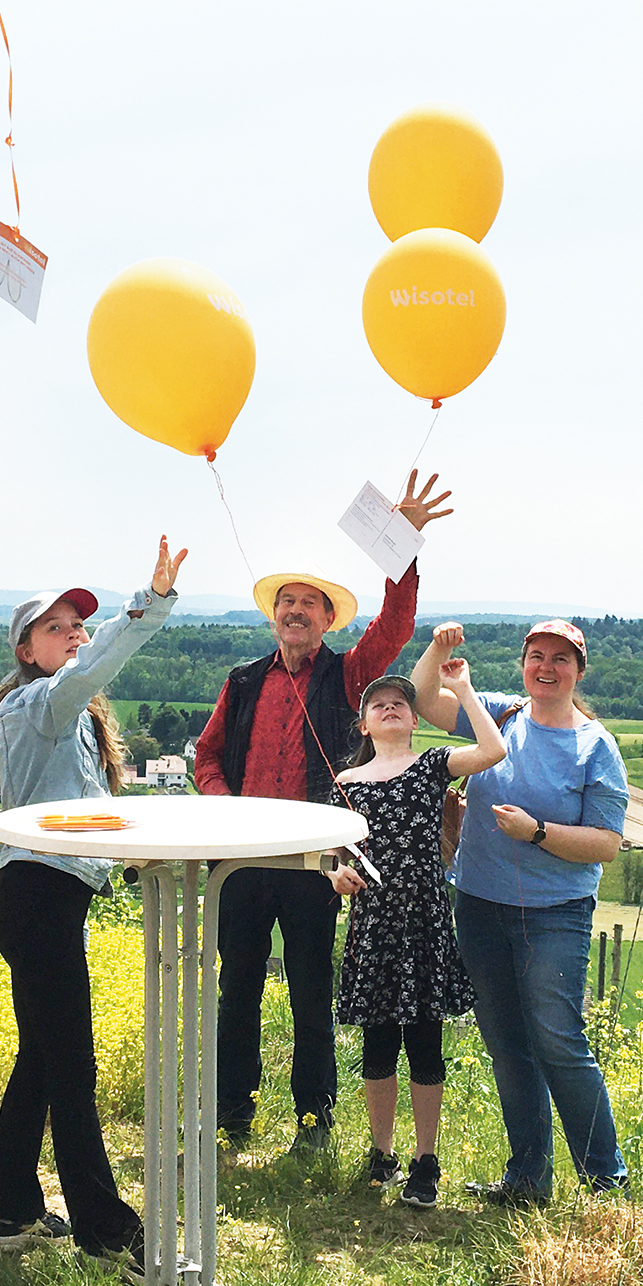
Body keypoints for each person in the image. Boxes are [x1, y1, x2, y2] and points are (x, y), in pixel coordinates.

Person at [191, 471, 453, 1154]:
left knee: (311, 994)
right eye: (287, 602)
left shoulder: (348, 674)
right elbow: (208, 757)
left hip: (315, 861)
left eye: (310, 604)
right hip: (242, 861)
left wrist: (405, 545)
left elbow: (397, 625)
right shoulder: (243, 681)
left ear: (328, 620)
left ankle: (314, 1121)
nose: (297, 611)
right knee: (237, 992)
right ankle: (232, 1117)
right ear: (273, 615)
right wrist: (227, 810)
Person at [0, 536, 185, 1276]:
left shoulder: (40, 713)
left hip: (39, 894)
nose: (72, 637)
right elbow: (101, 664)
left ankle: (10, 1212)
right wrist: (152, 604)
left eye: (76, 625)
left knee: (42, 1058)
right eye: (56, 629)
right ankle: (108, 1233)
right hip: (39, 896)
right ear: (28, 650)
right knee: (72, 1067)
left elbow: (79, 810)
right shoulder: (42, 701)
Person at [410, 619, 629, 1205]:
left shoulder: (595, 746)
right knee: (507, 1044)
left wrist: (537, 834)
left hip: (555, 913)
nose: (547, 667)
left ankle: (605, 1185)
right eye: (537, 656)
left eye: (561, 659)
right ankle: (528, 1180)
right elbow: (425, 701)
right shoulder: (501, 714)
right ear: (523, 664)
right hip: (480, 905)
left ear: (579, 671)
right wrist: (437, 650)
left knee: (558, 1042)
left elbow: (606, 843)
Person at [331, 662, 505, 1207]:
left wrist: (464, 690)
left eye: (400, 704)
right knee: (378, 1043)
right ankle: (381, 1153)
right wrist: (332, 874)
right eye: (378, 704)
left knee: (425, 1043)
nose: (389, 708)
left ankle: (425, 1160)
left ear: (412, 721)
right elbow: (325, 854)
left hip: (425, 923)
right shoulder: (345, 785)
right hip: (373, 927)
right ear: (363, 725)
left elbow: (492, 751)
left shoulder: (432, 765)